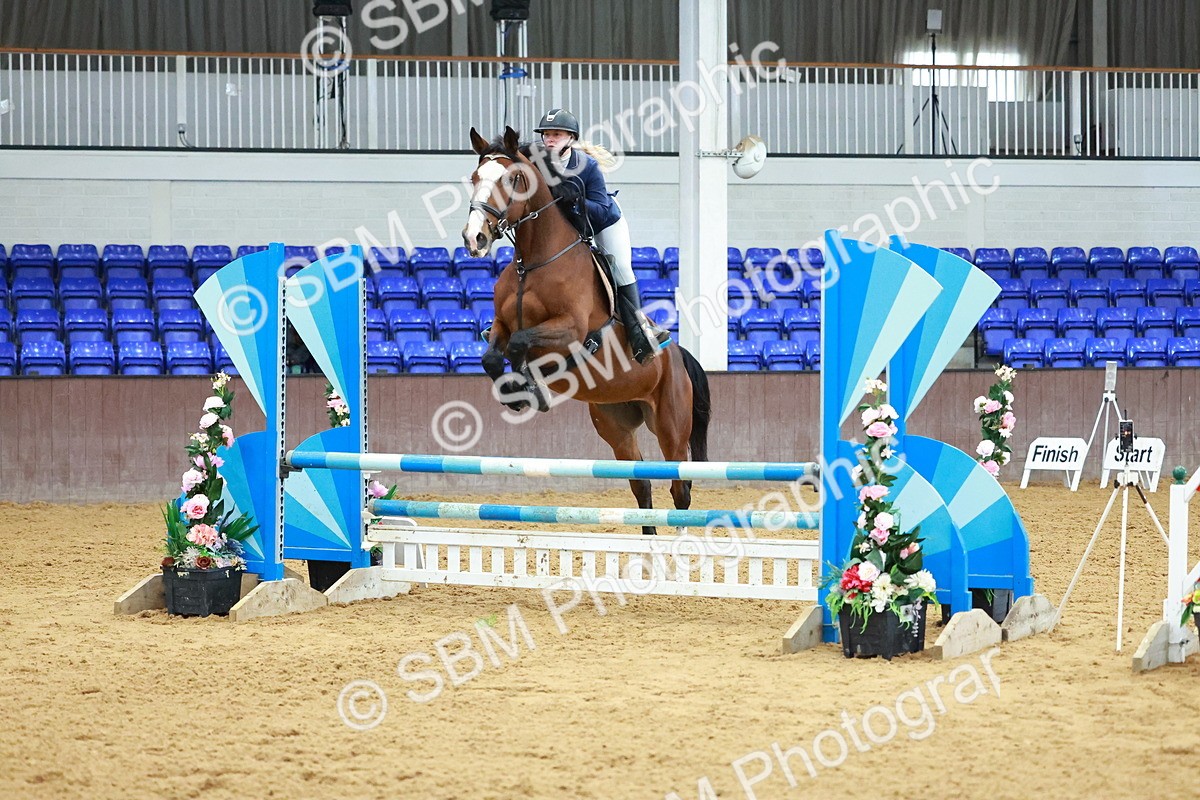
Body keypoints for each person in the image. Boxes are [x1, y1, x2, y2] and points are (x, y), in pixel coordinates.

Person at [533, 108, 671, 365]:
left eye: (556, 134)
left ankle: (640, 333)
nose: (549, 140)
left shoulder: (587, 167)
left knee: (620, 268)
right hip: (566, 228)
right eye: (546, 135)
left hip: (603, 223)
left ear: (571, 138)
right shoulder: (536, 158)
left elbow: (602, 209)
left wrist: (576, 200)